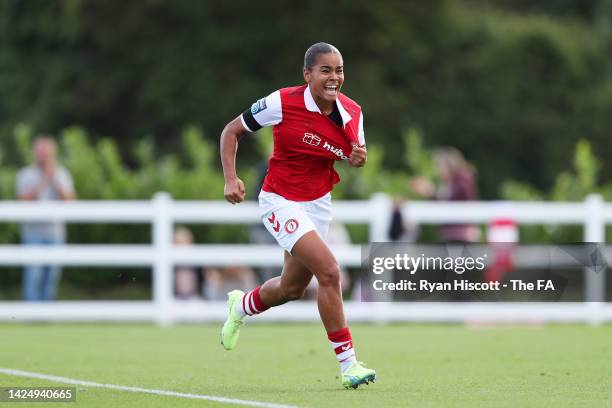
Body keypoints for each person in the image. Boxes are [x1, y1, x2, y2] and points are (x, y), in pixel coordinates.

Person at [219, 42, 376, 389]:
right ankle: (349, 364)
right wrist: (231, 177)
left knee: (291, 288)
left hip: (318, 204)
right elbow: (232, 130)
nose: (334, 77)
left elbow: (355, 155)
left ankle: (241, 305)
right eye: (326, 70)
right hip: (279, 200)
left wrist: (357, 160)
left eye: (339, 70)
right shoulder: (281, 102)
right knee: (330, 271)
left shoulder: (353, 113)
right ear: (307, 75)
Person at [16, 135, 76, 301]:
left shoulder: (62, 174)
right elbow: (22, 201)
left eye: (47, 153)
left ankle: (46, 315)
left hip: (56, 233)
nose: (44, 157)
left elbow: (69, 200)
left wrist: (54, 179)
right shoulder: (26, 174)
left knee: (51, 277)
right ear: (35, 154)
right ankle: (30, 314)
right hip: (32, 233)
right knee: (33, 275)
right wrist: (42, 181)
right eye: (41, 153)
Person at [411, 147, 480, 243]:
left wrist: (431, 192)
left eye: (439, 165)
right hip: (450, 234)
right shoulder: (448, 183)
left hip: (460, 235)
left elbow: (453, 201)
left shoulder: (462, 179)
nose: (437, 170)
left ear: (448, 165)